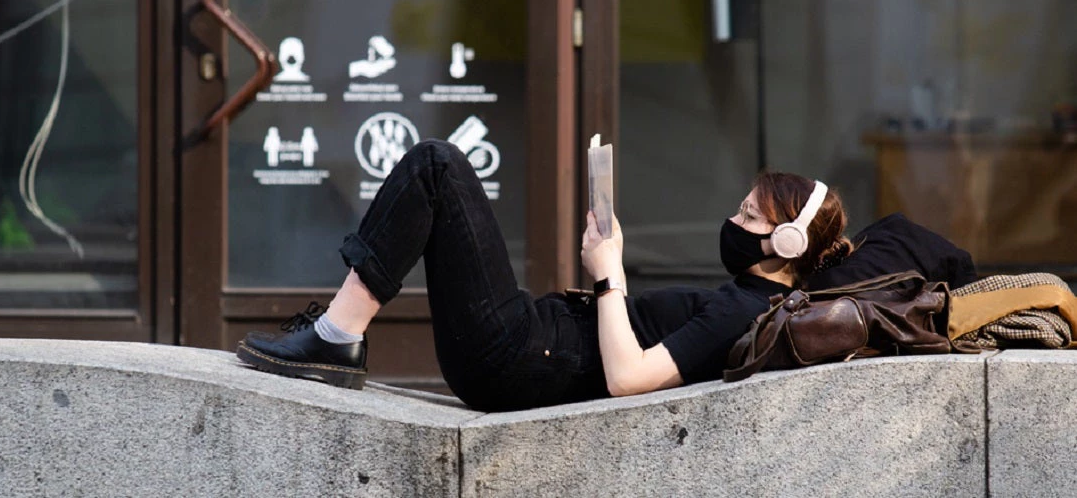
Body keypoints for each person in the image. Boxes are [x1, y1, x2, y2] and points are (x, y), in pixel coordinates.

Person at [236, 140, 855, 412]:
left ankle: (337, 336)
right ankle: (338, 333)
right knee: (436, 168)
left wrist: (609, 274)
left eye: (749, 216)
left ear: (788, 242)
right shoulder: (751, 300)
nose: (732, 219)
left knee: (437, 167)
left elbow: (628, 377)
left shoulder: (743, 312)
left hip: (519, 356)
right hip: (528, 339)